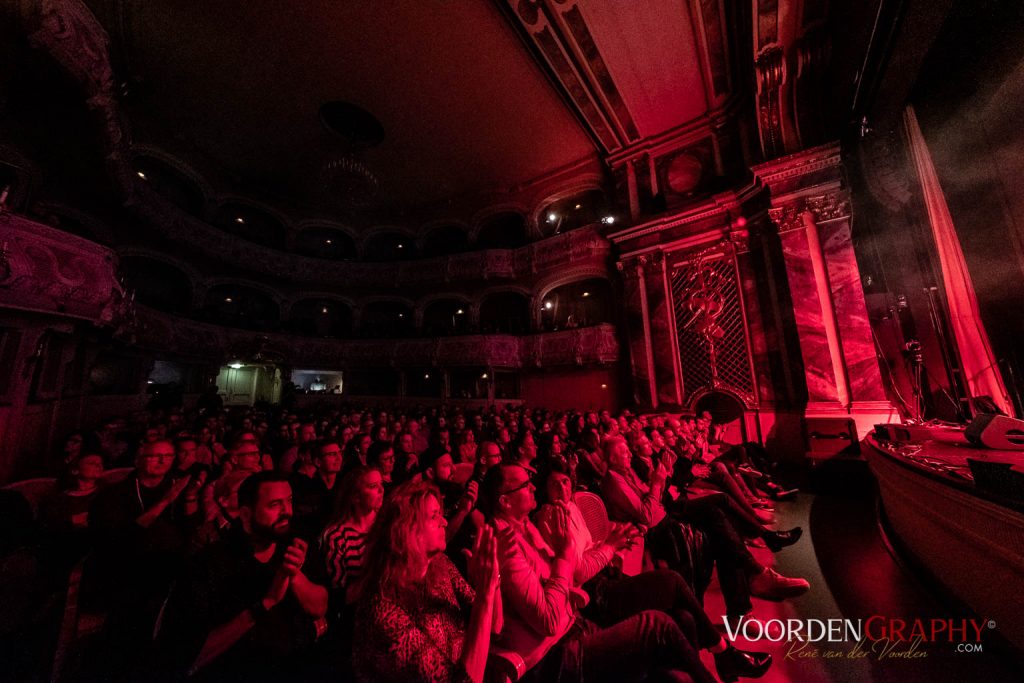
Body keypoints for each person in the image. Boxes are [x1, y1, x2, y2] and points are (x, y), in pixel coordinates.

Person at [479, 462, 718, 683]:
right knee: (660, 620)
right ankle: (721, 651)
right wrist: (574, 553)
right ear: (505, 502)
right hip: (555, 653)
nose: (531, 487)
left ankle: (717, 656)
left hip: (575, 621)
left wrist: (602, 548)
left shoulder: (527, 526)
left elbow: (563, 577)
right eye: (524, 484)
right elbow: (550, 618)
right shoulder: (506, 546)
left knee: (680, 629)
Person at [535, 468, 772, 681]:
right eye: (555, 484)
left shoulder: (572, 507)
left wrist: (612, 542)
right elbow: (577, 572)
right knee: (672, 580)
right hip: (594, 595)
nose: (562, 488)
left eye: (565, 482)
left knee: (684, 616)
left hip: (606, 576)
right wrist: (610, 547)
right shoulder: (549, 517)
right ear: (543, 489)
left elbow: (588, 549)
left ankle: (713, 664)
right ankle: (725, 654)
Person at [156, 472, 329, 682]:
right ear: (246, 513)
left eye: (289, 501)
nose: (287, 512)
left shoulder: (296, 544)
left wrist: (293, 574)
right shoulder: (210, 565)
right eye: (275, 505)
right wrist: (265, 603)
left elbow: (320, 607)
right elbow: (190, 654)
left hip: (297, 667)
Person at [353, 480, 501, 683]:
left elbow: (494, 625)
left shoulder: (440, 564)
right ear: (406, 530)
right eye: (434, 516)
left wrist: (492, 580)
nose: (445, 522)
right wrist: (485, 594)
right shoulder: (385, 609)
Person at [320, 467, 384, 606]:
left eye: (381, 484)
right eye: (373, 486)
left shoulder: (388, 525)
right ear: (355, 497)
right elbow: (339, 595)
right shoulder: (337, 536)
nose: (381, 490)